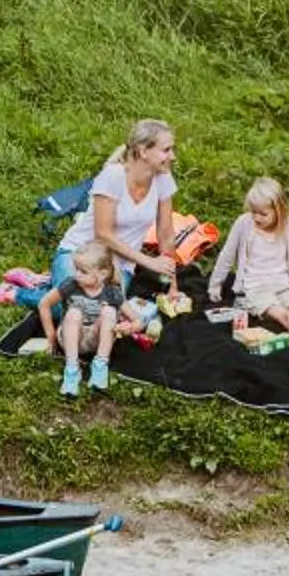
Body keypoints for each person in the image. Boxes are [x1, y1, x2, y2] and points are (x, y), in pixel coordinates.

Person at [51, 118, 181, 297]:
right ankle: (18, 293)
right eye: (166, 150)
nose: (173, 157)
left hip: (120, 266)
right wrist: (148, 261)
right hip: (79, 254)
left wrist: (172, 287)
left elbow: (166, 235)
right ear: (143, 151)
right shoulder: (113, 176)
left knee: (103, 310)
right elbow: (103, 235)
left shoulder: (163, 178)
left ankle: (52, 285)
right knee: (70, 304)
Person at [208, 176, 289, 349]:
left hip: (283, 286)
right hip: (256, 289)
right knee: (287, 317)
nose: (257, 218)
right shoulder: (244, 224)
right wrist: (215, 284)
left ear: (278, 210)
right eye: (254, 212)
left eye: (263, 214)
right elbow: (226, 256)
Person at [36, 239, 142, 397]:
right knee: (74, 313)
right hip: (70, 339)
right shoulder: (71, 285)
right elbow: (44, 304)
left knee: (110, 312)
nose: (77, 274)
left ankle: (100, 365)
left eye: (83, 271)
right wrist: (51, 337)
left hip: (96, 341)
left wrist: (129, 328)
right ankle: (72, 369)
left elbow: (138, 321)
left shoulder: (111, 292)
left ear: (102, 274)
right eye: (76, 269)